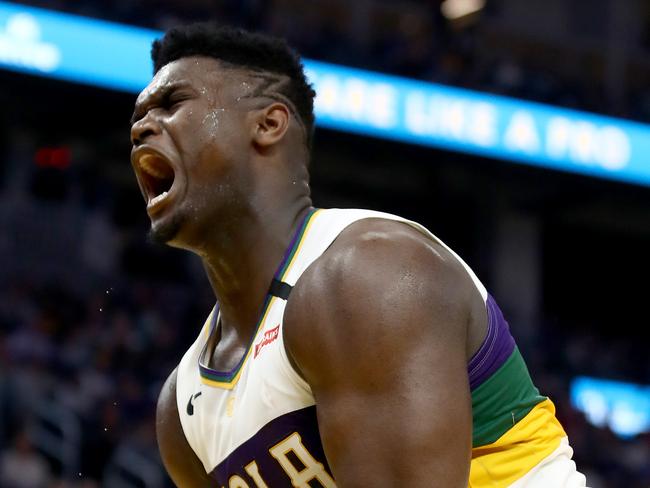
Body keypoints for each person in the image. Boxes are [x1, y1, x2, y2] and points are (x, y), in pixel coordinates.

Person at [129, 23, 587, 487]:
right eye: (139, 115)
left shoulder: (370, 275)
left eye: (172, 104)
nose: (142, 126)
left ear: (268, 124)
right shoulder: (181, 411)